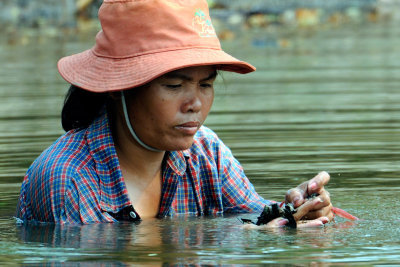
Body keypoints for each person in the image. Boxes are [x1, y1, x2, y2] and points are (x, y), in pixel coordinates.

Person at [16, 0, 333, 226]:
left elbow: (252, 215)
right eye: (173, 85)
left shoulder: (206, 153)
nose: (194, 103)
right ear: (117, 87)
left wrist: (296, 212)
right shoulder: (67, 179)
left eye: (206, 84)